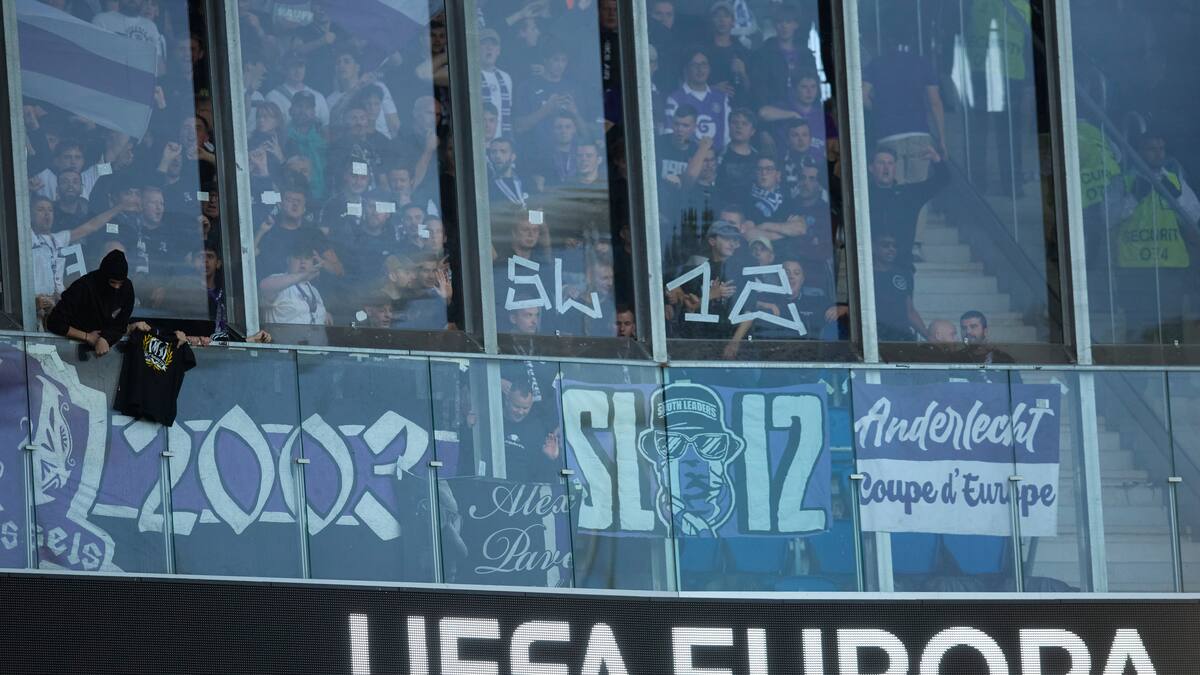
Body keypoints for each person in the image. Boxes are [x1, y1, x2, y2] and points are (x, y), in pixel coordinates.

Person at [46, 250, 144, 358]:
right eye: (112, 282)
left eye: (120, 283)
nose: (116, 287)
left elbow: (120, 324)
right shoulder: (82, 287)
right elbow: (54, 322)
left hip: (108, 354)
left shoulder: (126, 289)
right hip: (69, 349)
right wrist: (88, 337)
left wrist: (105, 338)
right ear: (104, 277)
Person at [867, 145, 949, 271]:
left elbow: (943, 180)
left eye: (890, 163)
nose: (886, 168)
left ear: (895, 168)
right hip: (869, 269)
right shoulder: (863, 196)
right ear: (871, 168)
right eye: (881, 163)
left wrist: (936, 159)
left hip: (901, 267)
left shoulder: (908, 195)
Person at [872, 232, 925, 341]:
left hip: (902, 336)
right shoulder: (868, 275)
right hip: (878, 337)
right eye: (885, 245)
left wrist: (928, 335)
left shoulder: (904, 274)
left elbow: (910, 310)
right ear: (874, 247)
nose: (891, 249)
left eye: (894, 246)